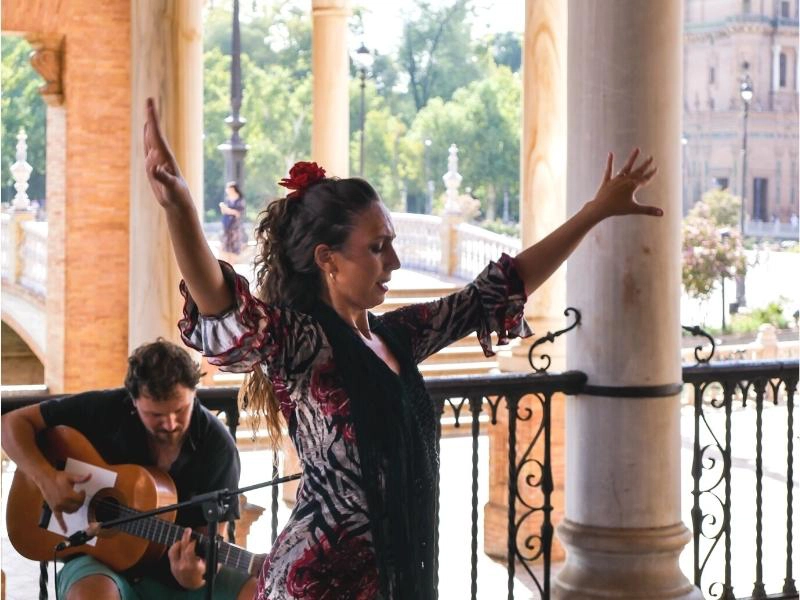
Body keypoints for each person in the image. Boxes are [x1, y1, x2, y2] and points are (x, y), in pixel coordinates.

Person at [142, 97, 660, 600]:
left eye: (389, 241)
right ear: (328, 260)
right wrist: (180, 208)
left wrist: (593, 213)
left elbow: (496, 288)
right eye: (376, 247)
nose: (393, 260)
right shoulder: (303, 344)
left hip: (391, 579)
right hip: (318, 584)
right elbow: (221, 306)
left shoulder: (396, 336)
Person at [1, 339, 257, 600]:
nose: (170, 424)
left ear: (194, 392)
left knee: (257, 588)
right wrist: (46, 478)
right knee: (92, 595)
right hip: (100, 561)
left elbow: (214, 540)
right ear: (134, 400)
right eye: (155, 415)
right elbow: (11, 424)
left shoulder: (217, 447)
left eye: (180, 410)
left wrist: (197, 573)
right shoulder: (107, 409)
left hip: (174, 572)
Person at [219, 181, 246, 264]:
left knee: (234, 244)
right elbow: (224, 212)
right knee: (225, 244)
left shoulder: (240, 200)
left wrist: (228, 210)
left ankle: (232, 263)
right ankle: (227, 263)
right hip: (226, 224)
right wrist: (224, 208)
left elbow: (238, 213)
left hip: (235, 225)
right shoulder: (227, 199)